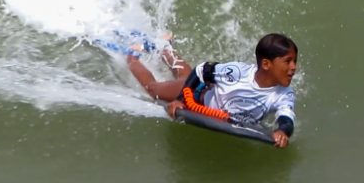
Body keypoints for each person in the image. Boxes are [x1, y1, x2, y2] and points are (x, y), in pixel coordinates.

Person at [126, 33, 298, 148]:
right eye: (287, 61)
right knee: (153, 89)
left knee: (184, 75)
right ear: (266, 64)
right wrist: (180, 99)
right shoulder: (238, 73)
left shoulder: (283, 94)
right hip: (198, 97)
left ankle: (166, 49)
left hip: (219, 112)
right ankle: (133, 56)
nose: (293, 68)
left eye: (294, 61)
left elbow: (286, 118)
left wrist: (283, 131)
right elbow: (202, 71)